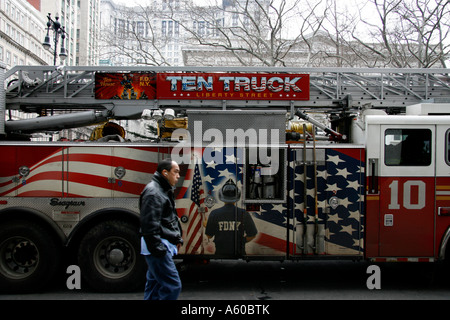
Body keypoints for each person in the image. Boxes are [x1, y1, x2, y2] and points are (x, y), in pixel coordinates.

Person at [140, 158, 183, 300]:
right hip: (158, 248)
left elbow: (167, 220)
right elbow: (149, 225)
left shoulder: (162, 189)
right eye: (175, 172)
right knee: (173, 286)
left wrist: (176, 239)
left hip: (159, 246)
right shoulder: (154, 193)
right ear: (165, 173)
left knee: (154, 286)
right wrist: (159, 249)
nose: (178, 176)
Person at [205, 179, 258, 256]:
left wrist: (207, 225)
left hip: (220, 254)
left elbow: (209, 235)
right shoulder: (244, 213)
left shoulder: (214, 214)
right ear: (237, 195)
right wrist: (242, 241)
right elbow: (252, 235)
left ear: (221, 195)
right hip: (240, 254)